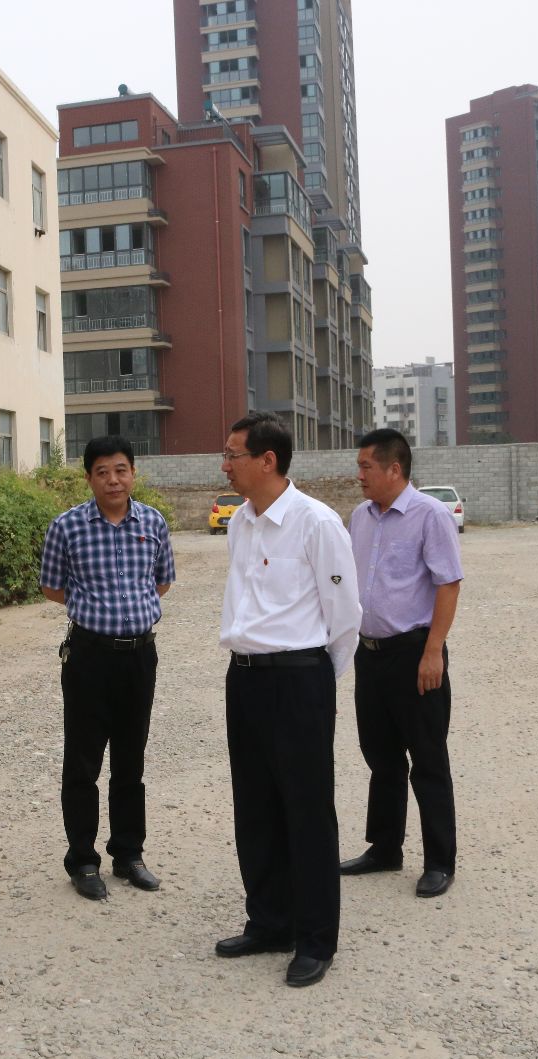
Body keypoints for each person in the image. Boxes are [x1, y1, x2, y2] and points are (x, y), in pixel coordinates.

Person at [215, 412, 360, 988]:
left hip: (299, 679)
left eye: (233, 455)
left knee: (306, 809)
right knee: (255, 807)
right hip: (245, 676)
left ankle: (316, 938)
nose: (224, 465)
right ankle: (270, 921)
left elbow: (345, 616)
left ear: (267, 460)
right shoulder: (240, 522)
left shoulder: (315, 522)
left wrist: (317, 681)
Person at [38, 434, 175, 901]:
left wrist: (128, 612)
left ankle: (129, 854)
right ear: (89, 478)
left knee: (131, 760)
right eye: (102, 472)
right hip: (89, 656)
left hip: (139, 655)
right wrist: (95, 610)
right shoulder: (67, 526)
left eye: (120, 470)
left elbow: (162, 582)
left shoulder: (153, 522)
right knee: (83, 762)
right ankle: (83, 860)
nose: (113, 480)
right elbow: (52, 587)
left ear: (133, 473)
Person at [343, 428, 463, 898]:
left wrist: (434, 651)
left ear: (394, 469)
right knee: (381, 756)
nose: (359, 475)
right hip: (370, 654)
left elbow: (448, 583)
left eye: (366, 467)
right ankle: (384, 848)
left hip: (414, 654)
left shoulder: (430, 515)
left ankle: (439, 861)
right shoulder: (360, 517)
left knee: (427, 758)